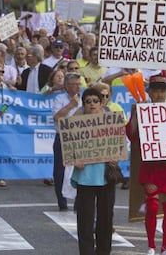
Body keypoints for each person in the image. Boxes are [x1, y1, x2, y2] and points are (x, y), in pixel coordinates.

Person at [126, 74, 166, 255]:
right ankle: (151, 246)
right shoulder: (142, 110)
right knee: (151, 205)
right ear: (150, 93)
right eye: (155, 91)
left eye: (161, 90)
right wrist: (137, 113)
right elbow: (131, 133)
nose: (158, 94)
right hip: (151, 166)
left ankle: (165, 247)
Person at [70, 87, 116, 255]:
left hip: (106, 176)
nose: (92, 104)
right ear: (83, 104)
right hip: (85, 178)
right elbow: (69, 146)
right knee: (85, 221)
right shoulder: (76, 121)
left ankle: (103, 251)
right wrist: (75, 159)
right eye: (87, 101)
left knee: (105, 219)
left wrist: (115, 157)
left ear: (101, 102)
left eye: (95, 101)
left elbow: (120, 144)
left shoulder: (111, 121)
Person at [52, 72, 82, 211]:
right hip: (63, 137)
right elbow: (57, 117)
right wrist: (71, 105)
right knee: (60, 172)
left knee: (80, 169)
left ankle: (79, 201)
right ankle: (62, 201)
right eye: (74, 84)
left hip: (80, 138)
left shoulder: (85, 99)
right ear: (67, 86)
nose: (77, 87)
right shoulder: (59, 99)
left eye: (79, 84)